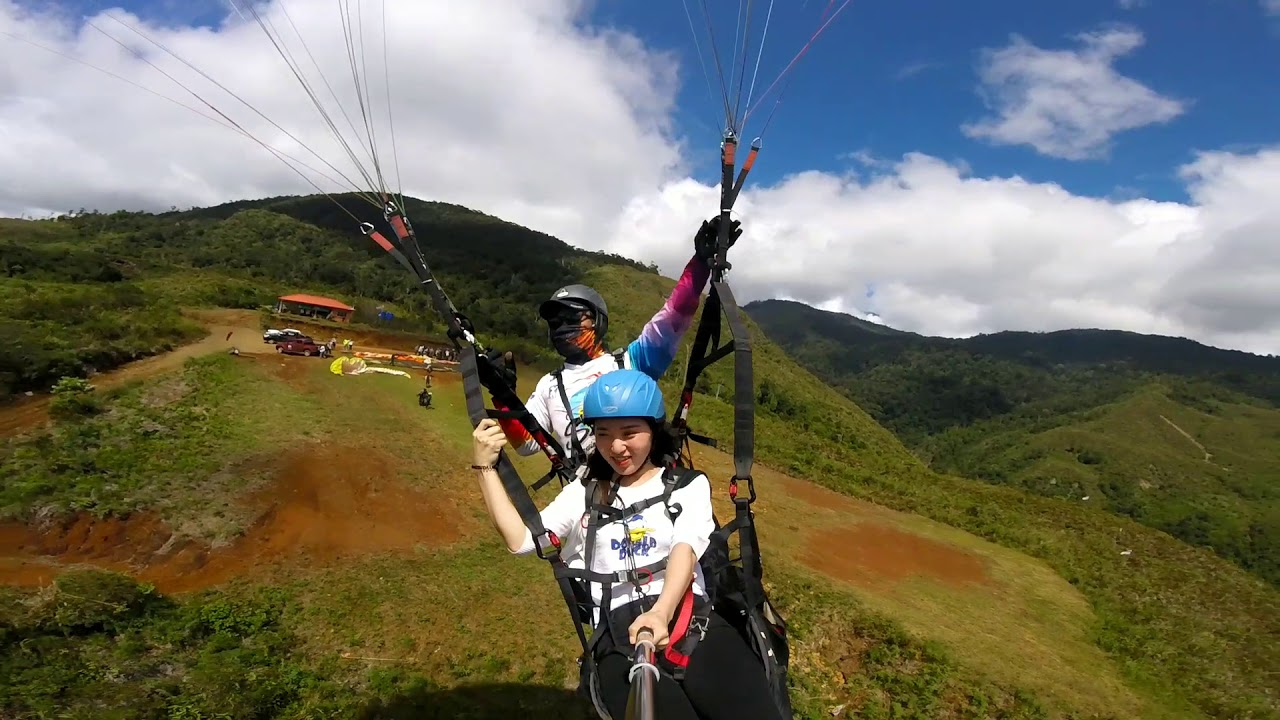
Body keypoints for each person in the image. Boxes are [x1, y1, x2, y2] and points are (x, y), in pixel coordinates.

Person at [472, 369, 781, 720]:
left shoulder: (685, 486)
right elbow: (522, 541)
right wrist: (485, 468)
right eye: (603, 434)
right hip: (618, 640)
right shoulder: (583, 494)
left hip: (692, 621)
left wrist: (661, 613)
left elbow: (685, 547)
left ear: (653, 431)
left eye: (629, 433)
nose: (616, 447)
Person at [486, 216, 742, 477]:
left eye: (573, 318)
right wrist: (502, 394)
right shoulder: (549, 386)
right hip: (589, 503)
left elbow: (673, 317)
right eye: (555, 322)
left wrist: (699, 265)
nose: (562, 326)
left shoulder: (633, 362)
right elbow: (527, 443)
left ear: (598, 322)